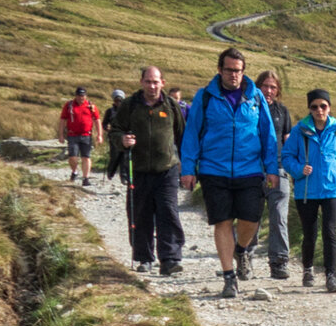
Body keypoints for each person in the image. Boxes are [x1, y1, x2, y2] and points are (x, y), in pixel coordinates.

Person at [178, 47, 281, 300]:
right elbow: (192, 134)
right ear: (219, 69)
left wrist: (271, 168)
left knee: (251, 220)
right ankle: (228, 278)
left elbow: (268, 135)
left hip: (250, 169)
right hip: (214, 169)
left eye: (238, 70)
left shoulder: (255, 97)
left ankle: (241, 249)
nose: (233, 74)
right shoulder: (205, 97)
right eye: (229, 70)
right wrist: (189, 168)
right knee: (222, 221)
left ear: (243, 71)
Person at [106, 66, 186, 273]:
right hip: (138, 170)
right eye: (148, 82)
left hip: (167, 169)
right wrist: (122, 140)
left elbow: (182, 135)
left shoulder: (171, 105)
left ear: (162, 83)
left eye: (155, 82)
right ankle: (144, 258)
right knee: (140, 214)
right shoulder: (130, 105)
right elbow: (115, 131)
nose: (152, 86)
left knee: (168, 212)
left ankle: (170, 259)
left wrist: (187, 166)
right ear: (141, 82)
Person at [284, 89, 336, 288]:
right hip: (306, 191)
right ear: (309, 108)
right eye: (314, 107)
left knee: (330, 232)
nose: (319, 110)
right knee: (309, 233)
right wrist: (298, 169)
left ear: (329, 107)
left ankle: (331, 276)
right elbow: (286, 157)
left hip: (332, 189)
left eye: (323, 106)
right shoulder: (299, 131)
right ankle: (308, 270)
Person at [254, 70, 294, 280]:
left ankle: (279, 261)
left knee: (279, 216)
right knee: (250, 216)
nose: (269, 91)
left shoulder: (282, 111)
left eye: (273, 87)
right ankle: (245, 255)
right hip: (252, 170)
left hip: (278, 170)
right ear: (257, 87)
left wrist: (291, 167)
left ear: (278, 90)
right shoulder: (248, 108)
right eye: (265, 86)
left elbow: (288, 141)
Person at [60, 86, 99, 187]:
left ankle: (86, 178)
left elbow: (97, 119)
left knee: (86, 157)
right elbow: (63, 119)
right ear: (76, 96)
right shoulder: (69, 105)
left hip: (86, 135)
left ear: (85, 96)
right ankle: (75, 171)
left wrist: (100, 135)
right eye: (79, 95)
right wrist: (61, 134)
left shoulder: (91, 106)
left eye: (83, 96)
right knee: (72, 157)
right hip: (72, 135)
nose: (81, 97)